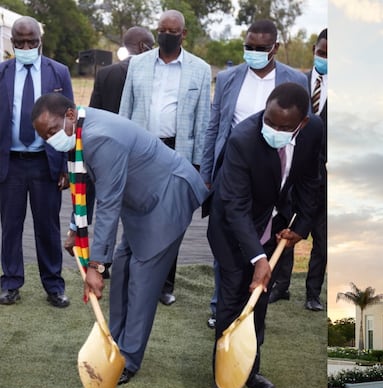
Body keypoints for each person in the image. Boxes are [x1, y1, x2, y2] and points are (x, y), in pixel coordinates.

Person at [31, 93, 208, 385]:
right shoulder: (81, 130)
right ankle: (112, 340)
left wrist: (97, 266)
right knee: (124, 267)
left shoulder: (100, 138)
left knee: (142, 278)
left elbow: (108, 204)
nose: (50, 140)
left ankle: (128, 359)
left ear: (71, 115)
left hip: (167, 196)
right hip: (142, 201)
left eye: (51, 131)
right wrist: (75, 229)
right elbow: (83, 186)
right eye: (43, 136)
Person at [206, 82, 322, 388]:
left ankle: (249, 369)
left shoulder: (314, 133)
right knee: (232, 301)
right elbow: (234, 207)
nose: (273, 130)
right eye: (269, 122)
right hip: (232, 229)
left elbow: (312, 181)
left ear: (302, 124)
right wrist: (258, 259)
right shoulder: (243, 139)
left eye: (284, 127)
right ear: (264, 111)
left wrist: (301, 225)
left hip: (273, 225)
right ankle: (224, 377)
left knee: (259, 303)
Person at [200, 18, 307, 329]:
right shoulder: (229, 77)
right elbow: (214, 127)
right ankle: (220, 307)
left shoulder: (294, 80)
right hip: (231, 173)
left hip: (273, 178)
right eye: (249, 47)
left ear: (275, 48)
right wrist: (207, 172)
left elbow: (303, 134)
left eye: (260, 48)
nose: (254, 52)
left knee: (260, 242)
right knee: (227, 242)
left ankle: (250, 314)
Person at [119, 9, 211, 307]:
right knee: (136, 215)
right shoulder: (138, 65)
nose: (166, 35)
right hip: (141, 150)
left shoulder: (200, 69)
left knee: (170, 221)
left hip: (176, 153)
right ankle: (131, 278)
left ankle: (164, 284)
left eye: (172, 31)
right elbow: (125, 109)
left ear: (183, 34)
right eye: (162, 30)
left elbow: (203, 121)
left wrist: (197, 166)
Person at [64, 27, 156, 272]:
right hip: (142, 155)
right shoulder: (154, 73)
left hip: (103, 152)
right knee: (139, 214)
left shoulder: (105, 74)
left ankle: (103, 261)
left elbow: (92, 112)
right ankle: (134, 266)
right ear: (145, 46)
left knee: (108, 206)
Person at [0, 16, 72, 308]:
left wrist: (65, 164)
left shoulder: (59, 72)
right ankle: (10, 283)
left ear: (40, 40)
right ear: (12, 43)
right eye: (20, 43)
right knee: (11, 226)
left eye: (31, 42)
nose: (26, 46)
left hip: (46, 162)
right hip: (11, 163)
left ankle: (54, 285)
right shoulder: (2, 72)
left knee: (47, 226)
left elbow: (69, 121)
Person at [268, 28, 328, 312]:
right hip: (296, 172)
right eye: (322, 53)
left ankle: (313, 293)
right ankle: (280, 286)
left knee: (322, 238)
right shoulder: (297, 82)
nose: (325, 59)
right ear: (314, 50)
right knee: (286, 230)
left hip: (329, 178)